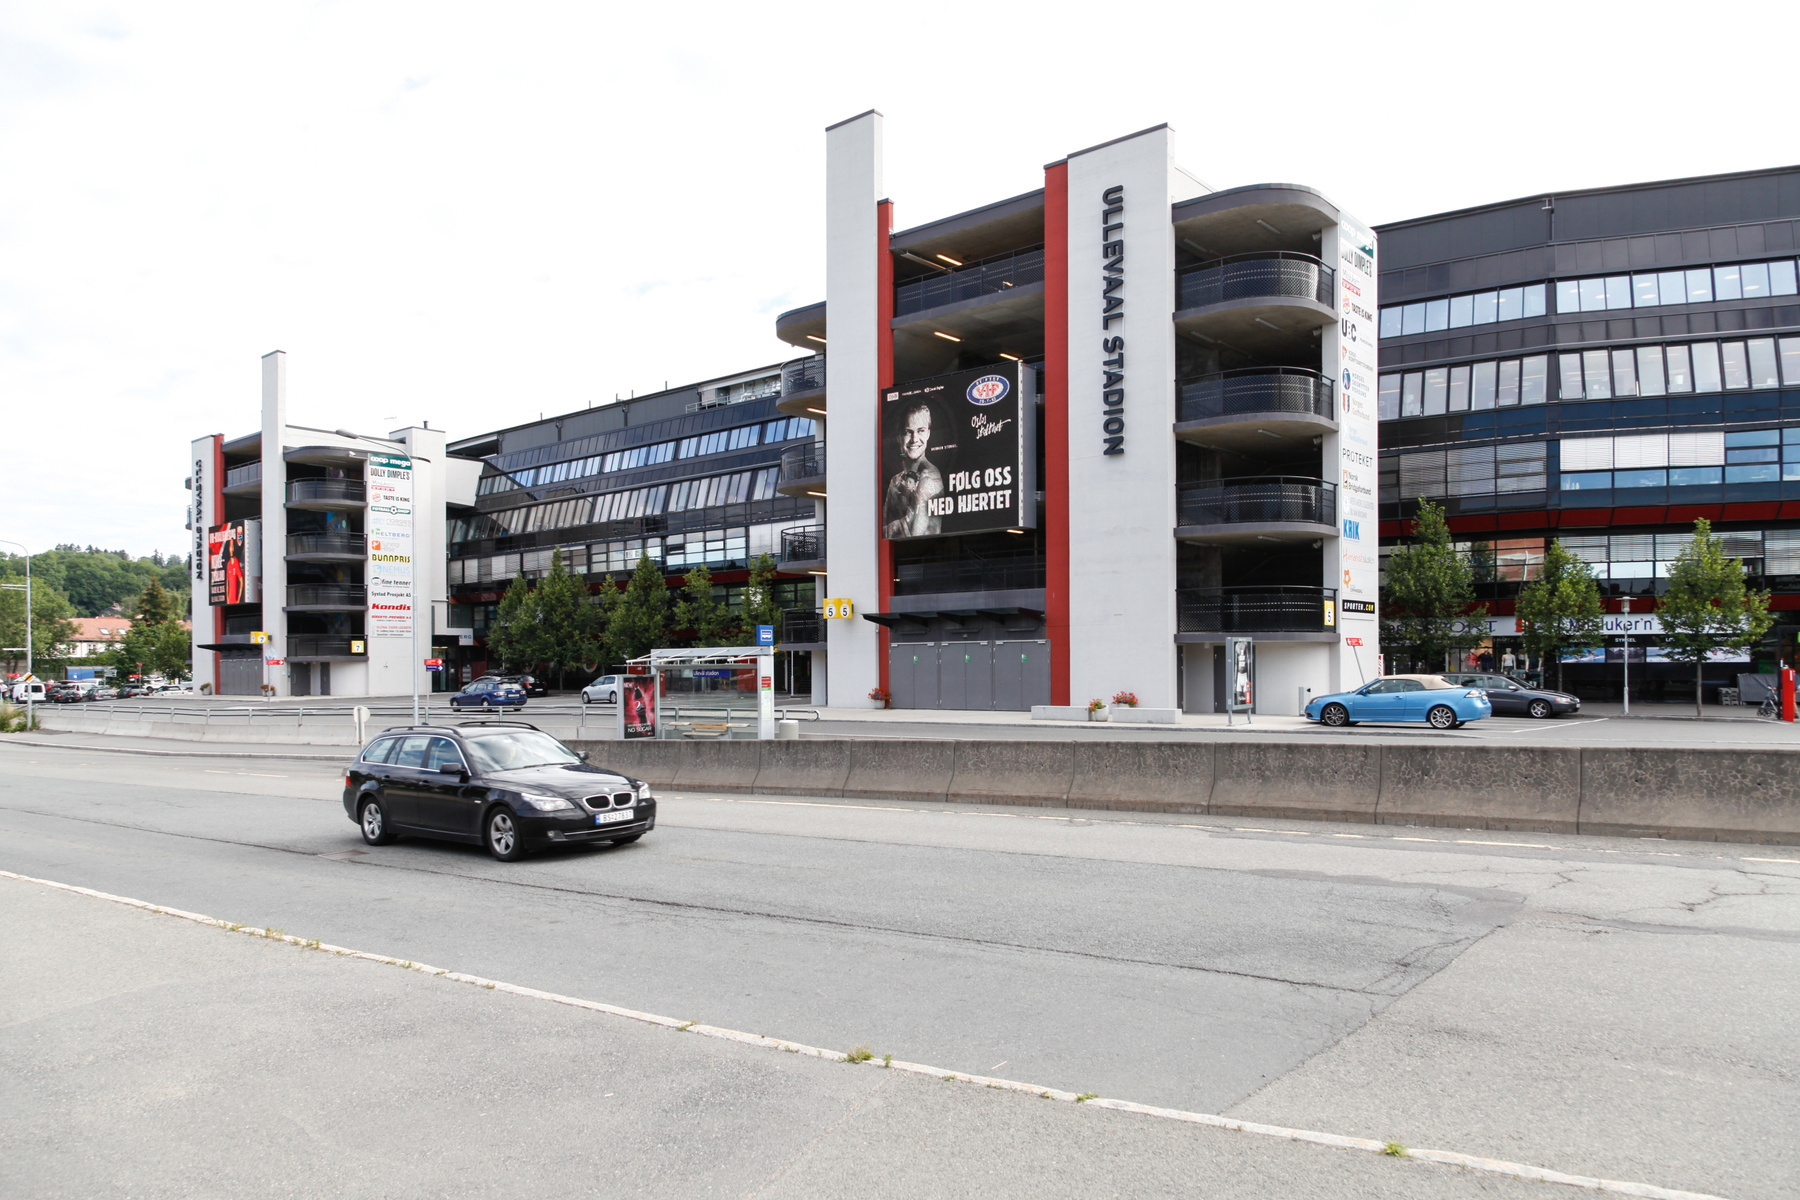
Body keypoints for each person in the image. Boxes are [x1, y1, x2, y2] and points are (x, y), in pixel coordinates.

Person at [882, 402, 944, 538]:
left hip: (928, 553)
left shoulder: (930, 478)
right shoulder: (895, 481)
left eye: (920, 430)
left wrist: (886, 530)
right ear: (899, 437)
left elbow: (914, 532)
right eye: (908, 432)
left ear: (928, 433)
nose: (914, 439)